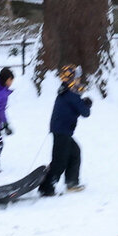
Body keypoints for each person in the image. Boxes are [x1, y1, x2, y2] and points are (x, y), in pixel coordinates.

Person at [39, 65, 92, 194]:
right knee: (60, 161)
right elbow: (85, 112)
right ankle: (46, 187)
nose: (79, 80)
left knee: (74, 152)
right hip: (62, 131)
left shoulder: (66, 91)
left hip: (62, 130)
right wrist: (87, 104)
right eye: (78, 78)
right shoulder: (71, 94)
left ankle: (72, 183)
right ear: (72, 79)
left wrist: (82, 102)